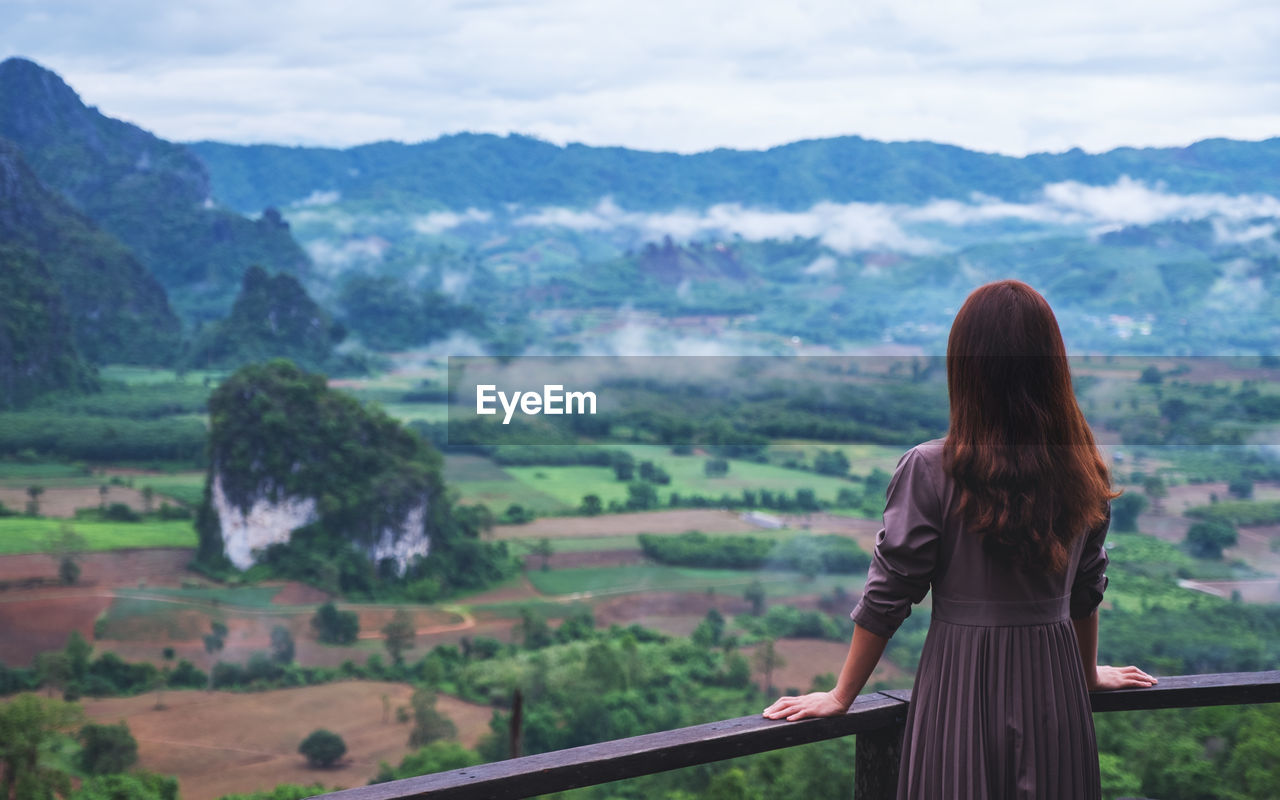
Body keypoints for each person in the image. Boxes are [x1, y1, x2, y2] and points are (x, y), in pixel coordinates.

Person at [763, 280, 1157, 799]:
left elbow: (889, 593)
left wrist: (842, 695)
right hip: (1056, 696)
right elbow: (1087, 589)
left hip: (961, 689)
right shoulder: (1082, 466)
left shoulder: (931, 469)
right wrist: (1086, 675)